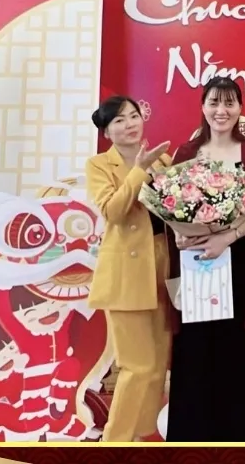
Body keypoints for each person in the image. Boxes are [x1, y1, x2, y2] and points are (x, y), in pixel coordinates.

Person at [165, 76, 245, 443]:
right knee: (193, 351)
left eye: (229, 103)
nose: (221, 110)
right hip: (194, 261)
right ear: (203, 106)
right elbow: (169, 204)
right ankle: (187, 441)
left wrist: (226, 238)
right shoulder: (187, 151)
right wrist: (179, 233)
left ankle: (230, 441)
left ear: (240, 108)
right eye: (214, 102)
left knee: (232, 351)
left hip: (237, 262)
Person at [85, 95, 172, 442]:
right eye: (119, 120)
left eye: (133, 116)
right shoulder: (99, 165)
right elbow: (113, 211)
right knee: (136, 366)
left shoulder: (163, 160)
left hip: (163, 269)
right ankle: (115, 442)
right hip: (126, 275)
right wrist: (139, 170)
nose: (129, 124)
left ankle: (144, 437)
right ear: (107, 132)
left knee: (157, 366)